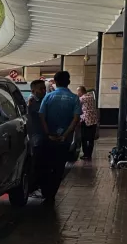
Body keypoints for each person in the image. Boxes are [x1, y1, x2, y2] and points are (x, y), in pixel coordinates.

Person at [39, 71, 81, 203]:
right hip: (64, 141)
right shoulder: (74, 98)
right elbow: (75, 119)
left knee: (46, 165)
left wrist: (48, 134)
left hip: (48, 140)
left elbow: (41, 116)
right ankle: (51, 195)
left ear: (55, 82)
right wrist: (65, 135)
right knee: (58, 167)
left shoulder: (48, 97)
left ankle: (46, 192)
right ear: (68, 82)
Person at [26, 80, 47, 192]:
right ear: (33, 90)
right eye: (41, 89)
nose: (44, 91)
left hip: (44, 137)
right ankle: (33, 186)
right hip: (35, 138)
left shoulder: (45, 100)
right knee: (36, 165)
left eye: (44, 88)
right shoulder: (31, 102)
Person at [76, 86, 99, 160]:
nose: (77, 93)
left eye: (78, 91)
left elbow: (76, 105)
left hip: (85, 120)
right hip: (93, 120)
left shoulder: (82, 98)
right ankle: (89, 155)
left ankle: (85, 154)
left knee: (84, 138)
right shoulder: (91, 97)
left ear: (81, 91)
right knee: (91, 139)